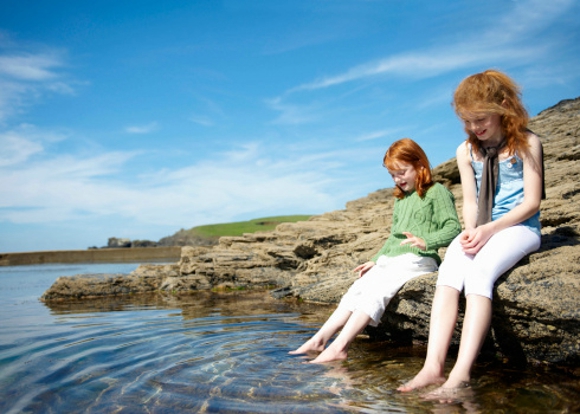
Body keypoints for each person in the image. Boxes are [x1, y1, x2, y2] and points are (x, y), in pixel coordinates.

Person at [398, 70, 544, 398]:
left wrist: (490, 229)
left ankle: (461, 374)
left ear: (504, 106)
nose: (474, 128)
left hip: (519, 228)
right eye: (466, 121)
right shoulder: (467, 151)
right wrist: (470, 231)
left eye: (480, 119)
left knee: (479, 274)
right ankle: (432, 367)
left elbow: (533, 202)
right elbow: (470, 200)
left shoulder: (528, 143)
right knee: (449, 273)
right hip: (482, 228)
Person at [289, 138, 462, 364]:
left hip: (419, 259)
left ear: (420, 165)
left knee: (376, 291)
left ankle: (340, 346)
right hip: (394, 259)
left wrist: (426, 240)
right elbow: (393, 236)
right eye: (392, 175)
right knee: (358, 288)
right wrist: (376, 259)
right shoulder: (401, 199)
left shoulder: (436, 192)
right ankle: (318, 340)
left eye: (402, 172)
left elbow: (453, 227)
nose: (398, 180)